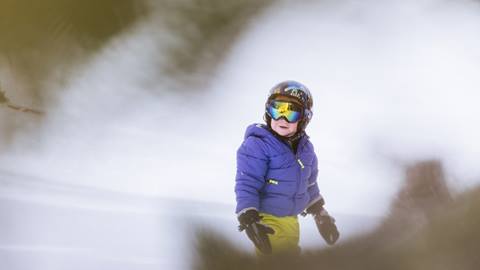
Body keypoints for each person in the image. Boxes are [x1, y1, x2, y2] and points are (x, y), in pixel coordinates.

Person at [235, 80, 339, 255]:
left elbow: (309, 184)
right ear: (268, 112)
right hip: (266, 221)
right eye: (277, 109)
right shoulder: (258, 145)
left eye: (291, 112)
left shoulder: (306, 149)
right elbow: (247, 182)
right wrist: (249, 218)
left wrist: (320, 213)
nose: (282, 118)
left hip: (292, 221)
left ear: (305, 118)